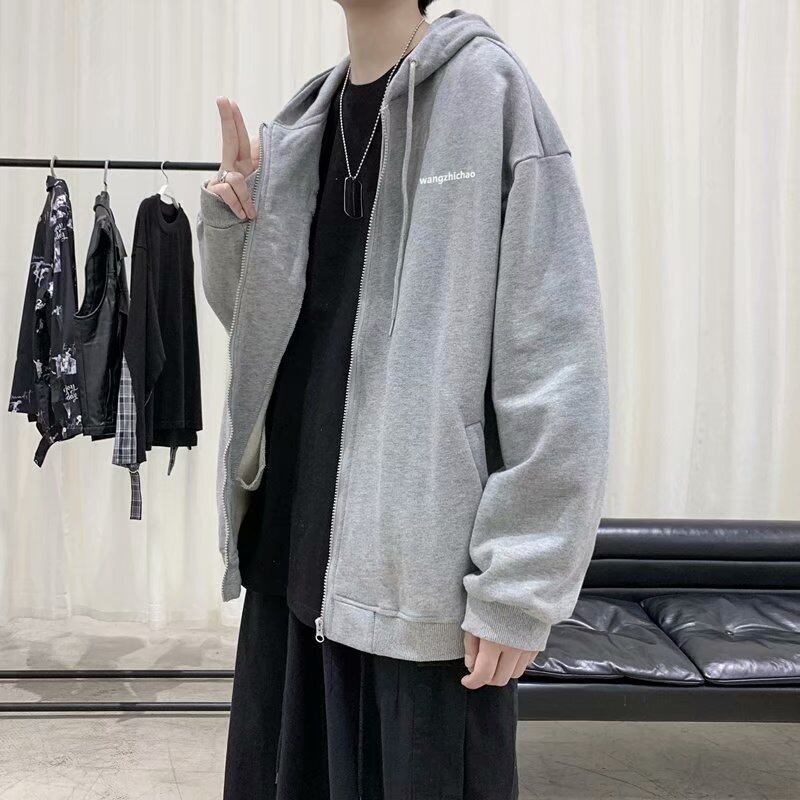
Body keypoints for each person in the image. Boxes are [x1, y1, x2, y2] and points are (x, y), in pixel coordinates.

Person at [197, 1, 609, 797]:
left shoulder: (489, 92)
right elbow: (260, 337)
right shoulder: (303, 123)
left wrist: (521, 586)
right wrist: (232, 224)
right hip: (287, 566)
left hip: (420, 592)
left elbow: (559, 361)